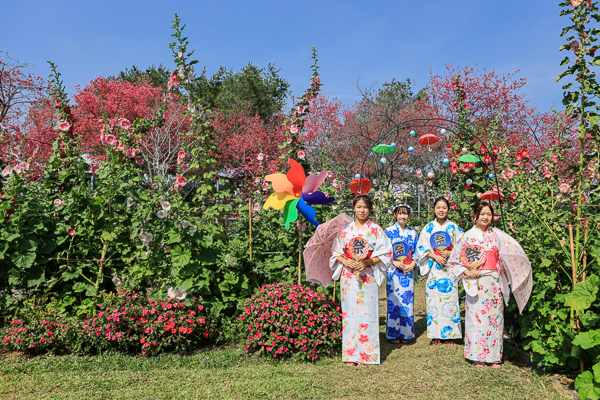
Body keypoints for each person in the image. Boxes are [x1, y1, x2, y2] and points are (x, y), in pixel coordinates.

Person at [330, 194, 392, 366]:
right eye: (359, 207)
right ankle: (350, 354)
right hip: (349, 277)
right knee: (349, 313)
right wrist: (345, 261)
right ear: (354, 208)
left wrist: (366, 262)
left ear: (369, 209)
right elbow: (336, 253)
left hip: (368, 275)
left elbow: (386, 254)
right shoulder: (345, 230)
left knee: (367, 313)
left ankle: (366, 354)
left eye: (365, 207)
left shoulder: (376, 230)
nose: (362, 210)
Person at [448, 201, 508, 368]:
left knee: (495, 318)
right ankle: (478, 355)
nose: (486, 217)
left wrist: (500, 264)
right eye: (482, 214)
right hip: (477, 281)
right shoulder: (468, 236)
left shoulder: (496, 235)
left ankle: (495, 356)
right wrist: (466, 272)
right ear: (474, 216)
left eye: (489, 214)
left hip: (494, 281)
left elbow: (501, 257)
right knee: (477, 318)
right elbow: (454, 260)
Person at [416, 197, 464, 345]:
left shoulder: (454, 228)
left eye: (444, 207)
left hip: (450, 269)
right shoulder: (429, 228)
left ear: (448, 209)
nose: (441, 210)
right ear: (434, 209)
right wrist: (433, 255)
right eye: (438, 207)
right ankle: (436, 335)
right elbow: (421, 248)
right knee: (434, 301)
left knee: (450, 300)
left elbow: (463, 246)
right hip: (434, 270)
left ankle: (450, 334)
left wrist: (451, 253)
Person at [384, 204, 418, 344]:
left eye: (405, 213)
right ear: (395, 214)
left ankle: (406, 333)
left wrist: (414, 263)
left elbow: (417, 251)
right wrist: (393, 261)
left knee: (407, 301)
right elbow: (384, 250)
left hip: (407, 270)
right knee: (393, 301)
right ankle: (393, 334)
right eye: (400, 213)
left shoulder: (413, 233)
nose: (403, 216)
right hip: (394, 271)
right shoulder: (388, 231)